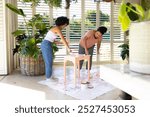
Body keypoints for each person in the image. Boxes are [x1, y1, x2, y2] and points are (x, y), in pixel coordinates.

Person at [40, 16, 71, 81]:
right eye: (65, 25)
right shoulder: (57, 29)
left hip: (47, 44)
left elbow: (53, 41)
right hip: (46, 45)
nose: (65, 27)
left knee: (49, 62)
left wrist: (61, 43)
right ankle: (48, 79)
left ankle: (50, 77)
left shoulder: (55, 29)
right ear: (64, 24)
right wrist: (68, 48)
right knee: (49, 62)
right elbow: (62, 38)